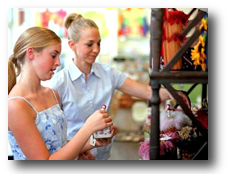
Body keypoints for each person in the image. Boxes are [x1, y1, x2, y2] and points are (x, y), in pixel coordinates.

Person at [49, 13, 190, 161]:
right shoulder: (59, 83)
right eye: (90, 44)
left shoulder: (108, 73)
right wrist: (79, 150)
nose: (96, 49)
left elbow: (147, 92)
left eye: (99, 43)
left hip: (103, 156)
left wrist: (174, 94)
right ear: (72, 45)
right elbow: (52, 133)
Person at [8, 26, 114, 160]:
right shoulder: (16, 105)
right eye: (53, 55)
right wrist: (88, 128)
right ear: (31, 53)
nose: (58, 62)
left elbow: (58, 147)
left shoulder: (52, 94)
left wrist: (91, 142)